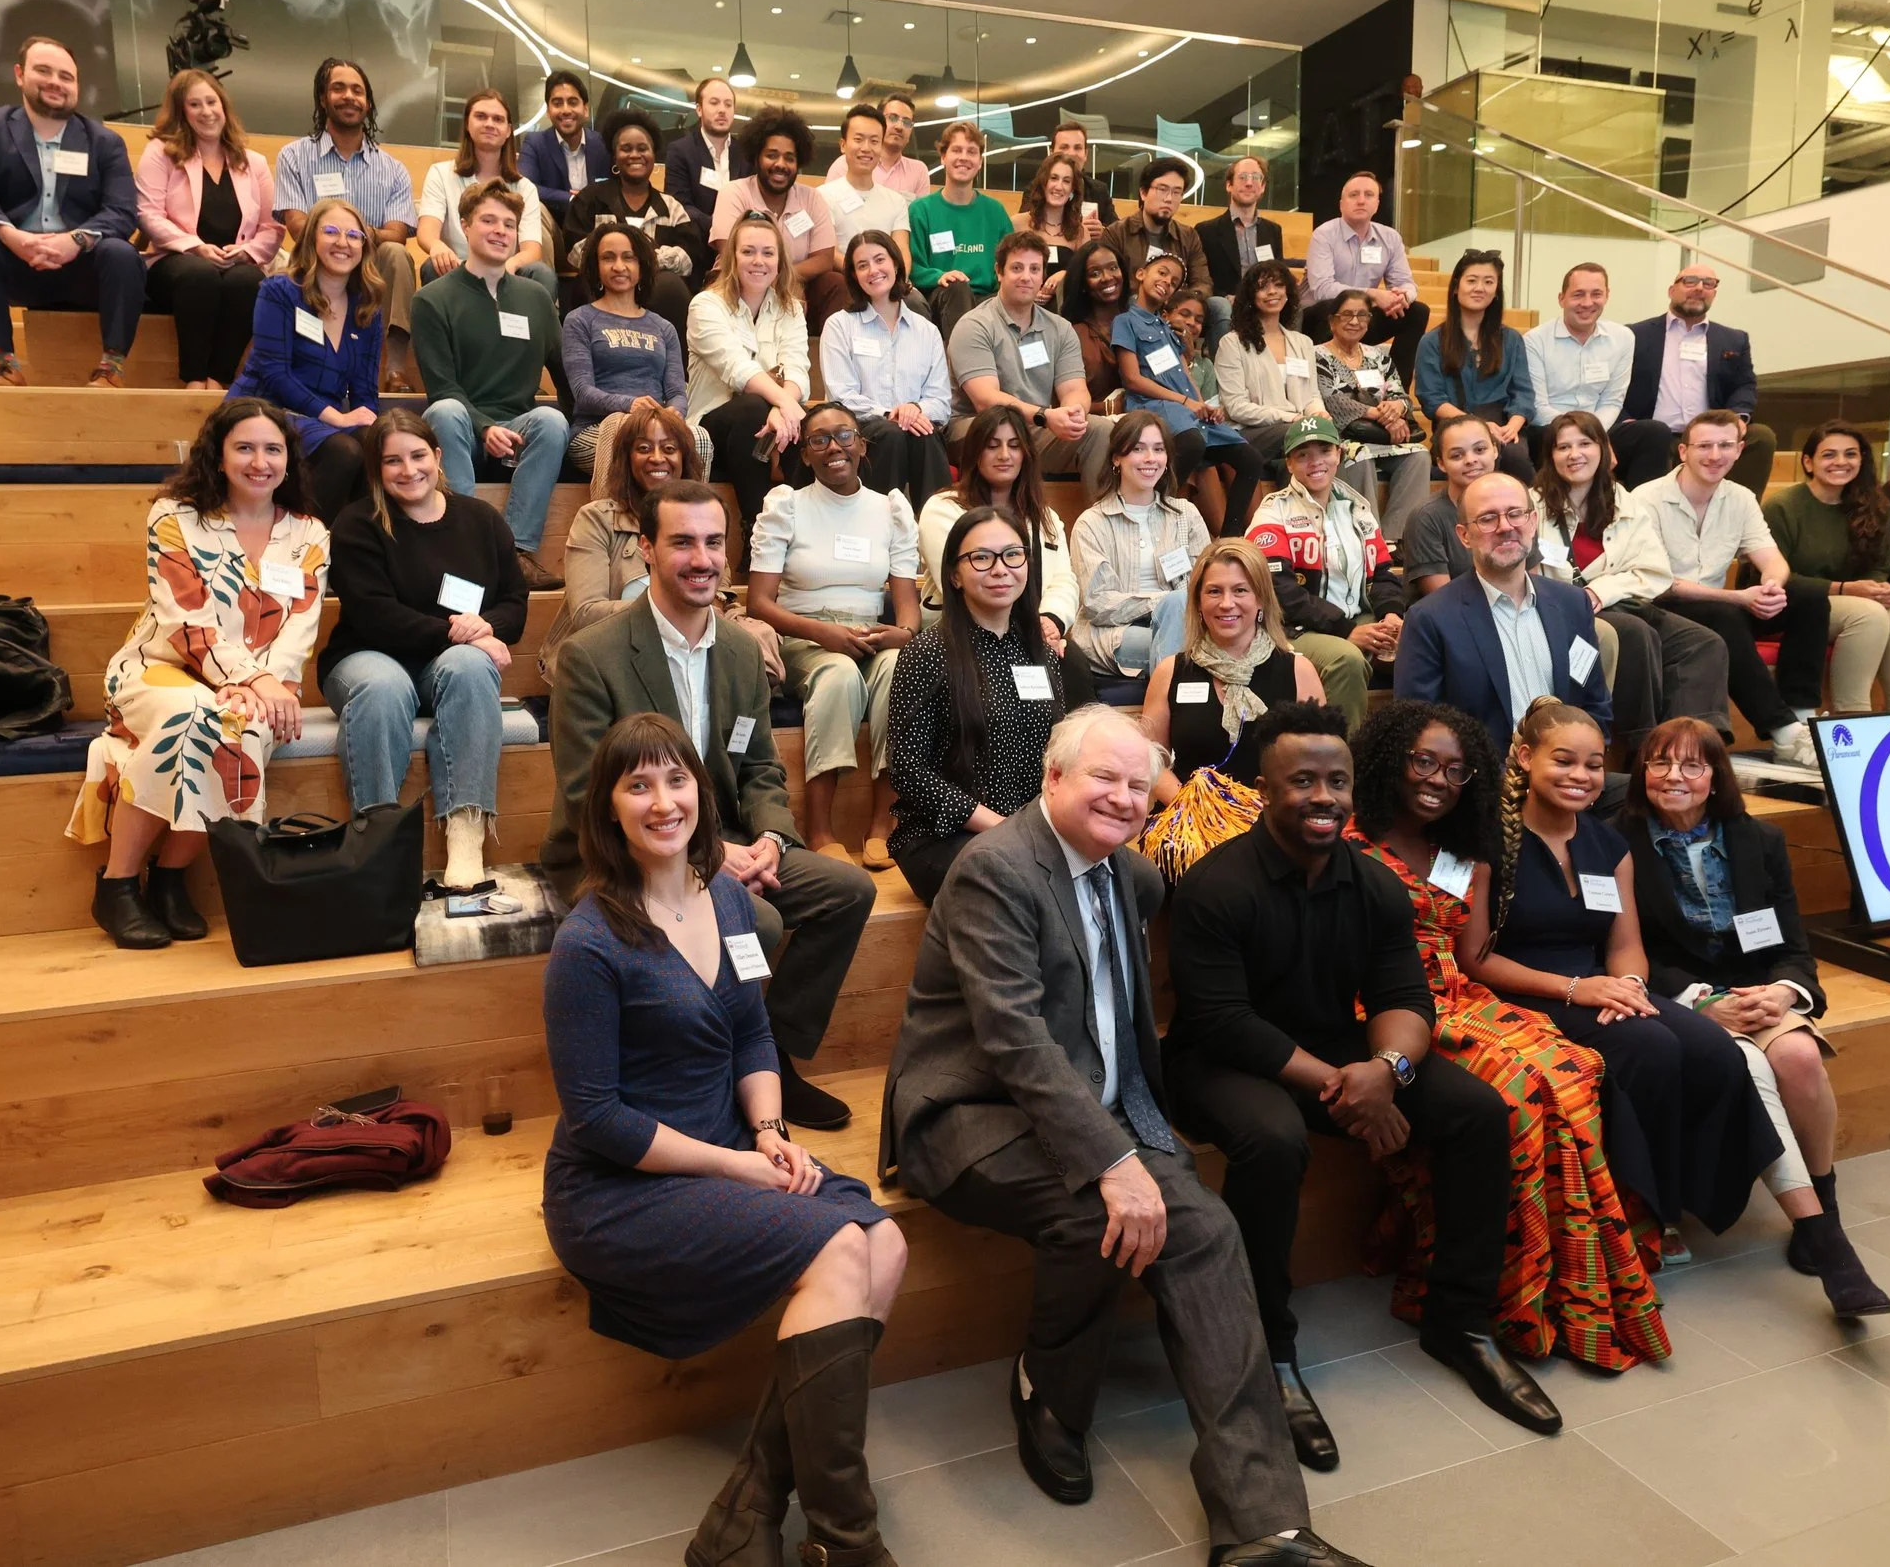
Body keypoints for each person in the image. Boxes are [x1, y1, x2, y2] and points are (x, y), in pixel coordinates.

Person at [880, 705, 1375, 1567]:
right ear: (1052, 778)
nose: (1121, 797)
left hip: (1091, 1105)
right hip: (969, 1110)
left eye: (1138, 785)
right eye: (1102, 777)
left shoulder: (1130, 874)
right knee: (1095, 1212)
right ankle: (1049, 1392)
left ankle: (1263, 1529)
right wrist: (1113, 1158)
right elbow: (1014, 1041)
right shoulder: (992, 871)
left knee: (1209, 1231)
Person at [541, 712, 905, 1567]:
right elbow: (599, 1119)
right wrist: (738, 1161)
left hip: (727, 1144)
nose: (663, 801)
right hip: (621, 1184)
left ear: (703, 796)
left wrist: (771, 1128)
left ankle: (746, 1511)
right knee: (842, 1251)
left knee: (884, 1242)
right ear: (609, 811)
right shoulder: (588, 943)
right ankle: (849, 1540)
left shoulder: (731, 897)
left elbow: (750, 1030)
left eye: (677, 780)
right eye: (638, 785)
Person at [1168, 701, 1562, 1446]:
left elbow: (1405, 998)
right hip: (1221, 1060)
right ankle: (1269, 1353)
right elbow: (1225, 1022)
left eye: (1337, 781)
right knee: (1274, 1139)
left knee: (1477, 1110)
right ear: (1262, 789)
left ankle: (1460, 1323)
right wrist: (1349, 1083)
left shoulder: (1374, 884)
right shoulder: (1217, 886)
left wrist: (1387, 1067)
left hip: (1339, 1051)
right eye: (1303, 781)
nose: (1324, 796)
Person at [544, 480, 878, 1133]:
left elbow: (756, 764)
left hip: (717, 837)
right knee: (758, 922)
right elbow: (589, 791)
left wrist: (773, 839)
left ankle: (768, 1060)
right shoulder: (592, 656)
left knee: (846, 891)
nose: (702, 558)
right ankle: (709, 1073)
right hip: (623, 846)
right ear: (646, 548)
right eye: (682, 542)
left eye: (714, 542)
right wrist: (706, 854)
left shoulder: (737, 649)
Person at [1348, 700, 1671, 1373]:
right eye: (1423, 762)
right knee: (1520, 1094)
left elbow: (1471, 955)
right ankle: (1505, 1291)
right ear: (1390, 762)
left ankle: (1567, 1282)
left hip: (1459, 996)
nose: (1438, 778)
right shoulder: (1349, 838)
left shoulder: (1466, 848)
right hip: (1377, 1004)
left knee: (1575, 1070)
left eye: (1456, 769)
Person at [1459, 697, 1784, 1264]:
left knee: (1713, 1050)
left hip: (1605, 985)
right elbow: (1476, 959)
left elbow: (1625, 943)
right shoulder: (1487, 841)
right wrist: (1574, 990)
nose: (1581, 777)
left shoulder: (1608, 843)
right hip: (1520, 991)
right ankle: (1639, 1213)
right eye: (1563, 761)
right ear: (1525, 758)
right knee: (1651, 1048)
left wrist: (1629, 986)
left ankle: (1687, 1195)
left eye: (1592, 764)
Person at [1623, 719, 1890, 1317]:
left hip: (1759, 990)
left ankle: (1821, 1206)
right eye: (1660, 763)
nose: (1674, 776)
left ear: (1716, 776)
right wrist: (1700, 1000)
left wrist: (1783, 992)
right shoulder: (1617, 842)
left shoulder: (1760, 841)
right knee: (1746, 1064)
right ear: (1641, 771)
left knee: (1798, 1057)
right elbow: (1624, 948)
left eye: (1692, 765)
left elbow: (1792, 943)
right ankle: (1823, 1233)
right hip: (1678, 998)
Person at [66, 399, 327, 947]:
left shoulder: (309, 533)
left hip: (258, 678)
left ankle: (168, 878)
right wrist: (252, 681)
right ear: (219, 455)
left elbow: (301, 626)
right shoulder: (175, 516)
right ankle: (115, 887)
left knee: (245, 725)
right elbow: (185, 621)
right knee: (196, 713)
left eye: (272, 449)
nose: (260, 462)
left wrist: (274, 683)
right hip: (159, 667)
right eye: (245, 448)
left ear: (289, 459)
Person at [317, 409, 522, 892]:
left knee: (472, 667)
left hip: (445, 667)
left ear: (438, 455)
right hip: (366, 655)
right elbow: (374, 616)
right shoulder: (357, 524)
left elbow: (514, 603)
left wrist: (484, 627)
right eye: (392, 461)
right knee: (383, 686)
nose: (408, 471)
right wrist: (462, 632)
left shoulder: (481, 520)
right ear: (376, 470)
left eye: (417, 456)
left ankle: (466, 838)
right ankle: (378, 842)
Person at [747, 403, 921, 863]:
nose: (833, 448)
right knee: (840, 675)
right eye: (818, 440)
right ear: (805, 455)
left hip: (870, 634)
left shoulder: (891, 510)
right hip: (804, 637)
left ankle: (882, 824)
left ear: (862, 444)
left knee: (900, 669)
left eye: (843, 435)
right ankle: (820, 830)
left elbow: (908, 613)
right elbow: (759, 603)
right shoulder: (787, 505)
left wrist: (896, 635)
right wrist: (824, 634)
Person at [885, 507, 1072, 901]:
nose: (1000, 569)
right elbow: (908, 771)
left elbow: (1060, 751)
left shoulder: (1041, 653)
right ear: (954, 574)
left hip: (1031, 832)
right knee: (1026, 884)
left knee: (1133, 875)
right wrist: (1003, 828)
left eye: (1012, 555)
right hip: (943, 835)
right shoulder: (929, 653)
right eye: (981, 558)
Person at [1628, 412, 1830, 765]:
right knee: (1723, 614)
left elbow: (1773, 558)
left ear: (1738, 451)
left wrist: (1771, 586)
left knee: (1809, 598)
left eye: (1725, 445)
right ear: (1683, 452)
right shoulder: (1647, 498)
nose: (1714, 455)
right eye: (1704, 446)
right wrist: (1738, 597)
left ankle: (1801, 717)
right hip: (1662, 607)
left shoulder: (1740, 497)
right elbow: (1660, 581)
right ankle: (1782, 731)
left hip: (1719, 605)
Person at [1531, 410, 1731, 753]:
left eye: (1585, 444)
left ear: (1604, 450)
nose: (1574, 454)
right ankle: (1645, 747)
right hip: (1567, 613)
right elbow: (1531, 575)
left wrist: (1601, 589)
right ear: (1551, 456)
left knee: (1703, 642)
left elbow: (1654, 571)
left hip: (1619, 602)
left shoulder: (1625, 501)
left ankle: (1694, 747)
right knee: (1637, 635)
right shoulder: (1533, 504)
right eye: (1563, 447)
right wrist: (1586, 596)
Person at [0, 35, 142, 389]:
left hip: (82, 264)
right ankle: (6, 365)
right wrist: (12, 236)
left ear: (77, 86)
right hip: (15, 258)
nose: (56, 82)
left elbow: (122, 211)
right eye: (44, 71)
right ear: (20, 75)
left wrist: (76, 240)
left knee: (122, 253)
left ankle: (111, 367)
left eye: (66, 76)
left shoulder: (105, 142)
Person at [409, 181, 569, 590]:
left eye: (509, 224)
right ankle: (462, 544)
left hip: (517, 432)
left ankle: (514, 552)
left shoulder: (535, 298)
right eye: (489, 220)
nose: (500, 230)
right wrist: (483, 426)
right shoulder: (433, 299)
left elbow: (566, 372)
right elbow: (441, 387)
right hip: (459, 430)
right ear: (464, 225)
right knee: (445, 411)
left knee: (552, 420)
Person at [541, 402, 773, 680]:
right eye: (643, 448)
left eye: (669, 448)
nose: (657, 458)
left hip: (689, 660)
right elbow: (587, 613)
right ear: (626, 459)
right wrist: (675, 608)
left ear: (684, 459)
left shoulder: (704, 521)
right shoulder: (597, 519)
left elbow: (714, 600)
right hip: (610, 663)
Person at [1395, 472, 1612, 755]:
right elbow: (1417, 728)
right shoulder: (1430, 619)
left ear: (1532, 523)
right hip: (1484, 784)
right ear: (1464, 536)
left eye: (1515, 514)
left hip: (1567, 774)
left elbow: (1594, 702)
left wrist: (1579, 765)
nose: (1505, 527)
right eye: (1487, 519)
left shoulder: (1572, 605)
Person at [225, 195, 380, 521]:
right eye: (332, 232)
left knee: (375, 447)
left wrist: (377, 429)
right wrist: (338, 418)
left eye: (354, 236)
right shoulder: (280, 290)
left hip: (319, 420)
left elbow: (365, 393)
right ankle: (302, 549)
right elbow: (274, 373)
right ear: (311, 239)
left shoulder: (366, 308)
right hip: (265, 407)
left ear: (364, 247)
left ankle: (353, 553)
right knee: (343, 450)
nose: (343, 243)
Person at [1140, 538, 1325, 806]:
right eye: (1214, 592)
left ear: (1261, 599)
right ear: (1198, 603)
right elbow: (1151, 761)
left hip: (1272, 824)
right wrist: (1198, 813)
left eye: (1240, 590)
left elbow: (1317, 764)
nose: (1227, 603)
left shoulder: (1299, 672)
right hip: (1189, 823)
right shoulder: (1170, 672)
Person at [1247, 419, 1404, 734]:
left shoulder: (1357, 507)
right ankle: (1343, 768)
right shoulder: (1272, 512)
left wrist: (1391, 614)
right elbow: (1279, 592)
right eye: (1303, 454)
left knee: (1420, 644)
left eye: (1324, 450)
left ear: (1340, 454)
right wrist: (1345, 630)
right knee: (1347, 660)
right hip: (1293, 629)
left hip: (1357, 618)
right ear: (1289, 463)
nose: (1315, 461)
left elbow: (1383, 572)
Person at [273, 57, 421, 391]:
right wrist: (340, 237)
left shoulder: (393, 169)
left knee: (397, 254)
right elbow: (297, 227)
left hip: (371, 264)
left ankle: (395, 370)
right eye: (338, 88)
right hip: (316, 260)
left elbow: (397, 233)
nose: (349, 96)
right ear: (323, 98)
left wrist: (357, 235)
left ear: (368, 103)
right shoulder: (294, 156)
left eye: (357, 90)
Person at [1763, 420, 1890, 716]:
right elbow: (1773, 577)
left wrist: (1878, 587)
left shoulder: (1874, 504)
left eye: (1850, 454)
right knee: (1869, 616)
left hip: (1855, 599)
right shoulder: (1782, 506)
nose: (1841, 462)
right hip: (1796, 604)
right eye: (1829, 455)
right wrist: (1846, 590)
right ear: (1808, 462)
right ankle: (1852, 718)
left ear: (1862, 460)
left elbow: (1881, 564)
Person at [135, 68, 282, 389]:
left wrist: (247, 252)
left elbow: (272, 226)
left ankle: (219, 378)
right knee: (199, 275)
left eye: (211, 102)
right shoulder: (160, 152)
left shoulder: (253, 162)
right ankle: (193, 378)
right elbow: (148, 214)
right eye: (195, 105)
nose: (207, 111)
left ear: (224, 106)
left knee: (251, 281)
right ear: (181, 111)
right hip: (176, 261)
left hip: (236, 262)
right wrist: (194, 246)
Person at [917, 407, 1083, 666]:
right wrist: (1027, 633)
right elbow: (959, 585)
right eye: (993, 446)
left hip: (1035, 634)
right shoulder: (942, 508)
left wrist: (1049, 622)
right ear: (975, 454)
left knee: (1072, 663)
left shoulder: (1045, 516)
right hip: (964, 638)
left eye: (1014, 446)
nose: (1005, 455)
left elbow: (1064, 581)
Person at [948, 232, 1116, 488]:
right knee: (1002, 431)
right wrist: (1045, 417)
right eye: (1017, 268)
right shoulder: (974, 325)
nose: (1026, 276)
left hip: (1037, 425)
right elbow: (986, 401)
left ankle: (1099, 523)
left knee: (1100, 429)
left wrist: (1073, 413)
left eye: (1034, 269)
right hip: (977, 428)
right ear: (999, 272)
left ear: (1042, 275)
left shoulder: (1060, 328)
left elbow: (1074, 389)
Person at [688, 214, 811, 530]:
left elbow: (798, 367)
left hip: (768, 422)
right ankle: (756, 529)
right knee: (754, 408)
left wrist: (782, 409)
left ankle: (803, 530)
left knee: (812, 421)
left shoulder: (791, 308)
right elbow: (737, 369)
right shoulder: (706, 305)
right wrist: (783, 405)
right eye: (748, 251)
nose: (759, 261)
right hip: (711, 428)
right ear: (732, 258)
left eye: (768, 253)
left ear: (780, 261)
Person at [1612, 263, 1779, 492]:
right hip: (1654, 436)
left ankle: (1737, 512)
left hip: (1711, 436)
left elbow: (1744, 385)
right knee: (1653, 434)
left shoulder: (1734, 339)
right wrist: (1625, 420)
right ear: (1672, 290)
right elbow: (1610, 385)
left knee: (1762, 437)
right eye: (1690, 281)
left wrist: (1739, 417)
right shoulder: (1634, 335)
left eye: (1708, 284)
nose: (1699, 288)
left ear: (1714, 293)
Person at [1114, 255, 1249, 535]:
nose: (1166, 282)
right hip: (1152, 405)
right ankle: (1152, 516)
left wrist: (1202, 404)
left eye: (1173, 281)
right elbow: (1132, 379)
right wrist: (1186, 402)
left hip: (1184, 409)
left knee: (1249, 458)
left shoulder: (1167, 328)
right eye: (1161, 273)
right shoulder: (1125, 321)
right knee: (1192, 441)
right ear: (1141, 273)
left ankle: (1229, 539)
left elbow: (1185, 374)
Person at [1071, 412, 1211, 679]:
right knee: (1185, 645)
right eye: (1138, 449)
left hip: (1183, 626)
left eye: (1159, 449)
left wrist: (1176, 607)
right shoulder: (1092, 523)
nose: (1150, 459)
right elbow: (1098, 604)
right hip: (1115, 635)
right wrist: (1164, 602)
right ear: (1117, 458)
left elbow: (1204, 585)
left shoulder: (1186, 515)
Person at [819, 231, 953, 509]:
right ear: (854, 275)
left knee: (926, 435)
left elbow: (940, 402)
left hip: (915, 428)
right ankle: (875, 524)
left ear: (896, 264)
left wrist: (914, 409)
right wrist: (892, 414)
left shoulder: (927, 331)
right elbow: (841, 395)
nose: (873, 270)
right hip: (860, 428)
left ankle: (938, 531)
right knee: (891, 434)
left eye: (880, 259)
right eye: (862, 265)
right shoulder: (839, 325)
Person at [559, 220, 704, 477]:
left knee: (700, 439)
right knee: (626, 440)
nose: (619, 266)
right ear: (596, 267)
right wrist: (631, 405)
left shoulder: (664, 327)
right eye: (608, 258)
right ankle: (614, 518)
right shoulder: (579, 320)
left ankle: (687, 516)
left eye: (629, 257)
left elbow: (677, 392)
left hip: (656, 427)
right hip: (598, 428)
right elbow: (582, 392)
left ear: (642, 266)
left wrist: (672, 413)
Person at [559, 109, 705, 334]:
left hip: (659, 299)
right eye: (626, 149)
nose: (635, 154)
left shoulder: (672, 207)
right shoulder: (589, 200)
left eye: (642, 148)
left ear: (653, 154)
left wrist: (633, 259)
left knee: (672, 288)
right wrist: (639, 260)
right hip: (602, 292)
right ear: (615, 156)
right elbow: (577, 253)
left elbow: (688, 259)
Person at [1213, 261, 1333, 530]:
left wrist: (1318, 413)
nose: (1272, 292)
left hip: (1295, 431)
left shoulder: (1302, 342)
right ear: (1251, 296)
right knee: (1307, 438)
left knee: (1325, 443)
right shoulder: (1232, 343)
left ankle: (1313, 528)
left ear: (1288, 292)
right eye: (1263, 287)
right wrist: (1290, 418)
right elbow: (1236, 407)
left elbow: (1311, 393)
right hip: (1250, 433)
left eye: (1278, 285)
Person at [709, 108, 846, 332]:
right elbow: (729, 252)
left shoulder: (812, 198)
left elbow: (823, 259)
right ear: (757, 156)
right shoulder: (733, 192)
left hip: (799, 286)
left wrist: (788, 280)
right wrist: (779, 282)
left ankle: (832, 357)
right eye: (772, 155)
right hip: (741, 282)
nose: (781, 164)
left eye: (789, 158)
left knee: (835, 284)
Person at [416, 87, 560, 300]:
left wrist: (509, 266)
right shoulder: (441, 174)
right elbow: (426, 231)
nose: (490, 124)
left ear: (509, 130)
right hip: (459, 266)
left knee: (542, 273)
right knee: (431, 266)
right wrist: (437, 247)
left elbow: (532, 251)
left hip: (507, 269)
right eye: (481, 116)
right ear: (467, 124)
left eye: (498, 119)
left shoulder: (524, 187)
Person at [1313, 287, 1433, 541]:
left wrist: (1397, 410)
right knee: (1359, 454)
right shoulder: (1317, 355)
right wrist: (1379, 414)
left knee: (1420, 455)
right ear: (1332, 321)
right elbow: (1330, 400)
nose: (1354, 321)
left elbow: (1401, 394)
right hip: (1344, 437)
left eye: (1362, 315)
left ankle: (1397, 539)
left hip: (1384, 434)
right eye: (1346, 314)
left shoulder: (1379, 355)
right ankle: (1368, 539)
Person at [1412, 250, 1533, 477]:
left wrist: (1514, 425)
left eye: (1489, 282)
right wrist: (1479, 425)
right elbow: (1431, 399)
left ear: (1496, 291)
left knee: (1515, 457)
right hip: (1455, 425)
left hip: (1503, 424)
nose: (1480, 288)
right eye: (1472, 280)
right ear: (1456, 287)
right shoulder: (1432, 342)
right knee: (1481, 455)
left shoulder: (1512, 339)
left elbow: (1523, 392)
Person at [1297, 171, 1427, 378]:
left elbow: (1406, 283)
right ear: (1341, 204)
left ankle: (1397, 390)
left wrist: (1402, 297)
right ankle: (1329, 387)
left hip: (1362, 317)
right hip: (1320, 319)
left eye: (1368, 195)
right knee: (1327, 308)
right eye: (1353, 195)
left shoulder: (1390, 238)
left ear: (1377, 204)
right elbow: (1322, 289)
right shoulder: (1324, 234)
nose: (1361, 200)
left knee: (1417, 312)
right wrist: (1373, 294)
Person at [907, 120, 1015, 340]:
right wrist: (940, 276)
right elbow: (914, 267)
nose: (964, 157)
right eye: (956, 150)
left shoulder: (995, 211)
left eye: (971, 152)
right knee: (958, 287)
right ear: (943, 157)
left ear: (980, 162)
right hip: (941, 297)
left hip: (987, 299)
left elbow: (1011, 261)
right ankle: (964, 364)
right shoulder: (921, 210)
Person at [1523, 262, 1632, 457]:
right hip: (1550, 428)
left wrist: (1594, 434)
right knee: (1541, 436)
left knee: (1653, 433)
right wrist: (1583, 437)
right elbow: (1538, 406)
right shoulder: (1535, 340)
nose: (1588, 303)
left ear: (1607, 295)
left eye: (1596, 294)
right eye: (1578, 294)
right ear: (1561, 299)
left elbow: (1612, 401)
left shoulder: (1623, 338)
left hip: (1600, 427)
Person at [1400, 416, 1516, 596]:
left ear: (1494, 450)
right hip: (1452, 619)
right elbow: (1443, 599)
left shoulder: (1516, 504)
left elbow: (1528, 580)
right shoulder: (1426, 517)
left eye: (1480, 449)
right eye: (1457, 455)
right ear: (1441, 464)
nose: (1470, 460)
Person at [664, 78, 753, 273]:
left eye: (728, 104)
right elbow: (678, 204)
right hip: (697, 248)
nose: (722, 109)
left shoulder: (747, 153)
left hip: (744, 250)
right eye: (714, 103)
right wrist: (721, 230)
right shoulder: (680, 151)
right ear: (699, 109)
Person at [1196, 155, 1286, 335]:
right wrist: (1226, 297)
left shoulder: (1273, 231)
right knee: (1223, 307)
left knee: (1295, 308)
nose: (1249, 183)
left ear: (1262, 187)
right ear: (1229, 185)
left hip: (1264, 302)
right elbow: (1204, 278)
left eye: (1256, 178)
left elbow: (1277, 276)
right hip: (1226, 303)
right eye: (1243, 177)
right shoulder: (1207, 231)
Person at [1105, 155, 1212, 300]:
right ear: (1143, 193)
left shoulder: (1189, 236)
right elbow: (1111, 281)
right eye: (1162, 189)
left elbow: (1202, 283)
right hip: (1132, 308)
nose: (1169, 198)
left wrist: (1183, 300)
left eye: (1176, 192)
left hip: (1174, 309)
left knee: (1218, 304)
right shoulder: (1117, 233)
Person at [821, 101, 914, 268]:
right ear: (843, 145)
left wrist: (895, 279)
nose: (866, 148)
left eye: (874, 141)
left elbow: (902, 253)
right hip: (846, 281)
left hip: (888, 284)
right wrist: (866, 274)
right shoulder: (822, 196)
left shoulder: (896, 201)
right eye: (858, 139)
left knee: (915, 296)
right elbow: (829, 253)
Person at [518, 69, 608, 215]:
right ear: (548, 111)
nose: (565, 110)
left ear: (585, 109)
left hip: (598, 226)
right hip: (554, 227)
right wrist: (573, 198)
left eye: (572, 102)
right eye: (557, 103)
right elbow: (524, 187)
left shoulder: (603, 144)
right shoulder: (535, 143)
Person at [1061, 241, 1131, 410]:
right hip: (1090, 424)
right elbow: (1059, 403)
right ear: (1083, 284)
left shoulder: (1139, 322)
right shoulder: (1072, 334)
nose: (1107, 277)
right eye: (1095, 273)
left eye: (1113, 268)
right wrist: (1106, 408)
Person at [824, 91, 931, 197]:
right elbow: (829, 207)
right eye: (892, 118)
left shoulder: (918, 171)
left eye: (907, 122)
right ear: (878, 123)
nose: (899, 126)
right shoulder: (844, 164)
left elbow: (919, 214)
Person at [1021, 151, 1094, 294]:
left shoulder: (1081, 233)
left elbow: (1086, 279)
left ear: (1072, 189)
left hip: (1063, 311)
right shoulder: (1018, 223)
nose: (1059, 187)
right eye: (1054, 178)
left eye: (1066, 181)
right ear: (1043, 183)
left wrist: (1066, 275)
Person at [1045, 120, 1118, 232]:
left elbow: (1118, 234)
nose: (1071, 153)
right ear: (1051, 153)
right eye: (1064, 147)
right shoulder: (1037, 188)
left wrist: (1103, 232)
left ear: (1086, 154)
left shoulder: (1099, 191)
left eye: (1077, 148)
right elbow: (1028, 230)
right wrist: (1077, 229)